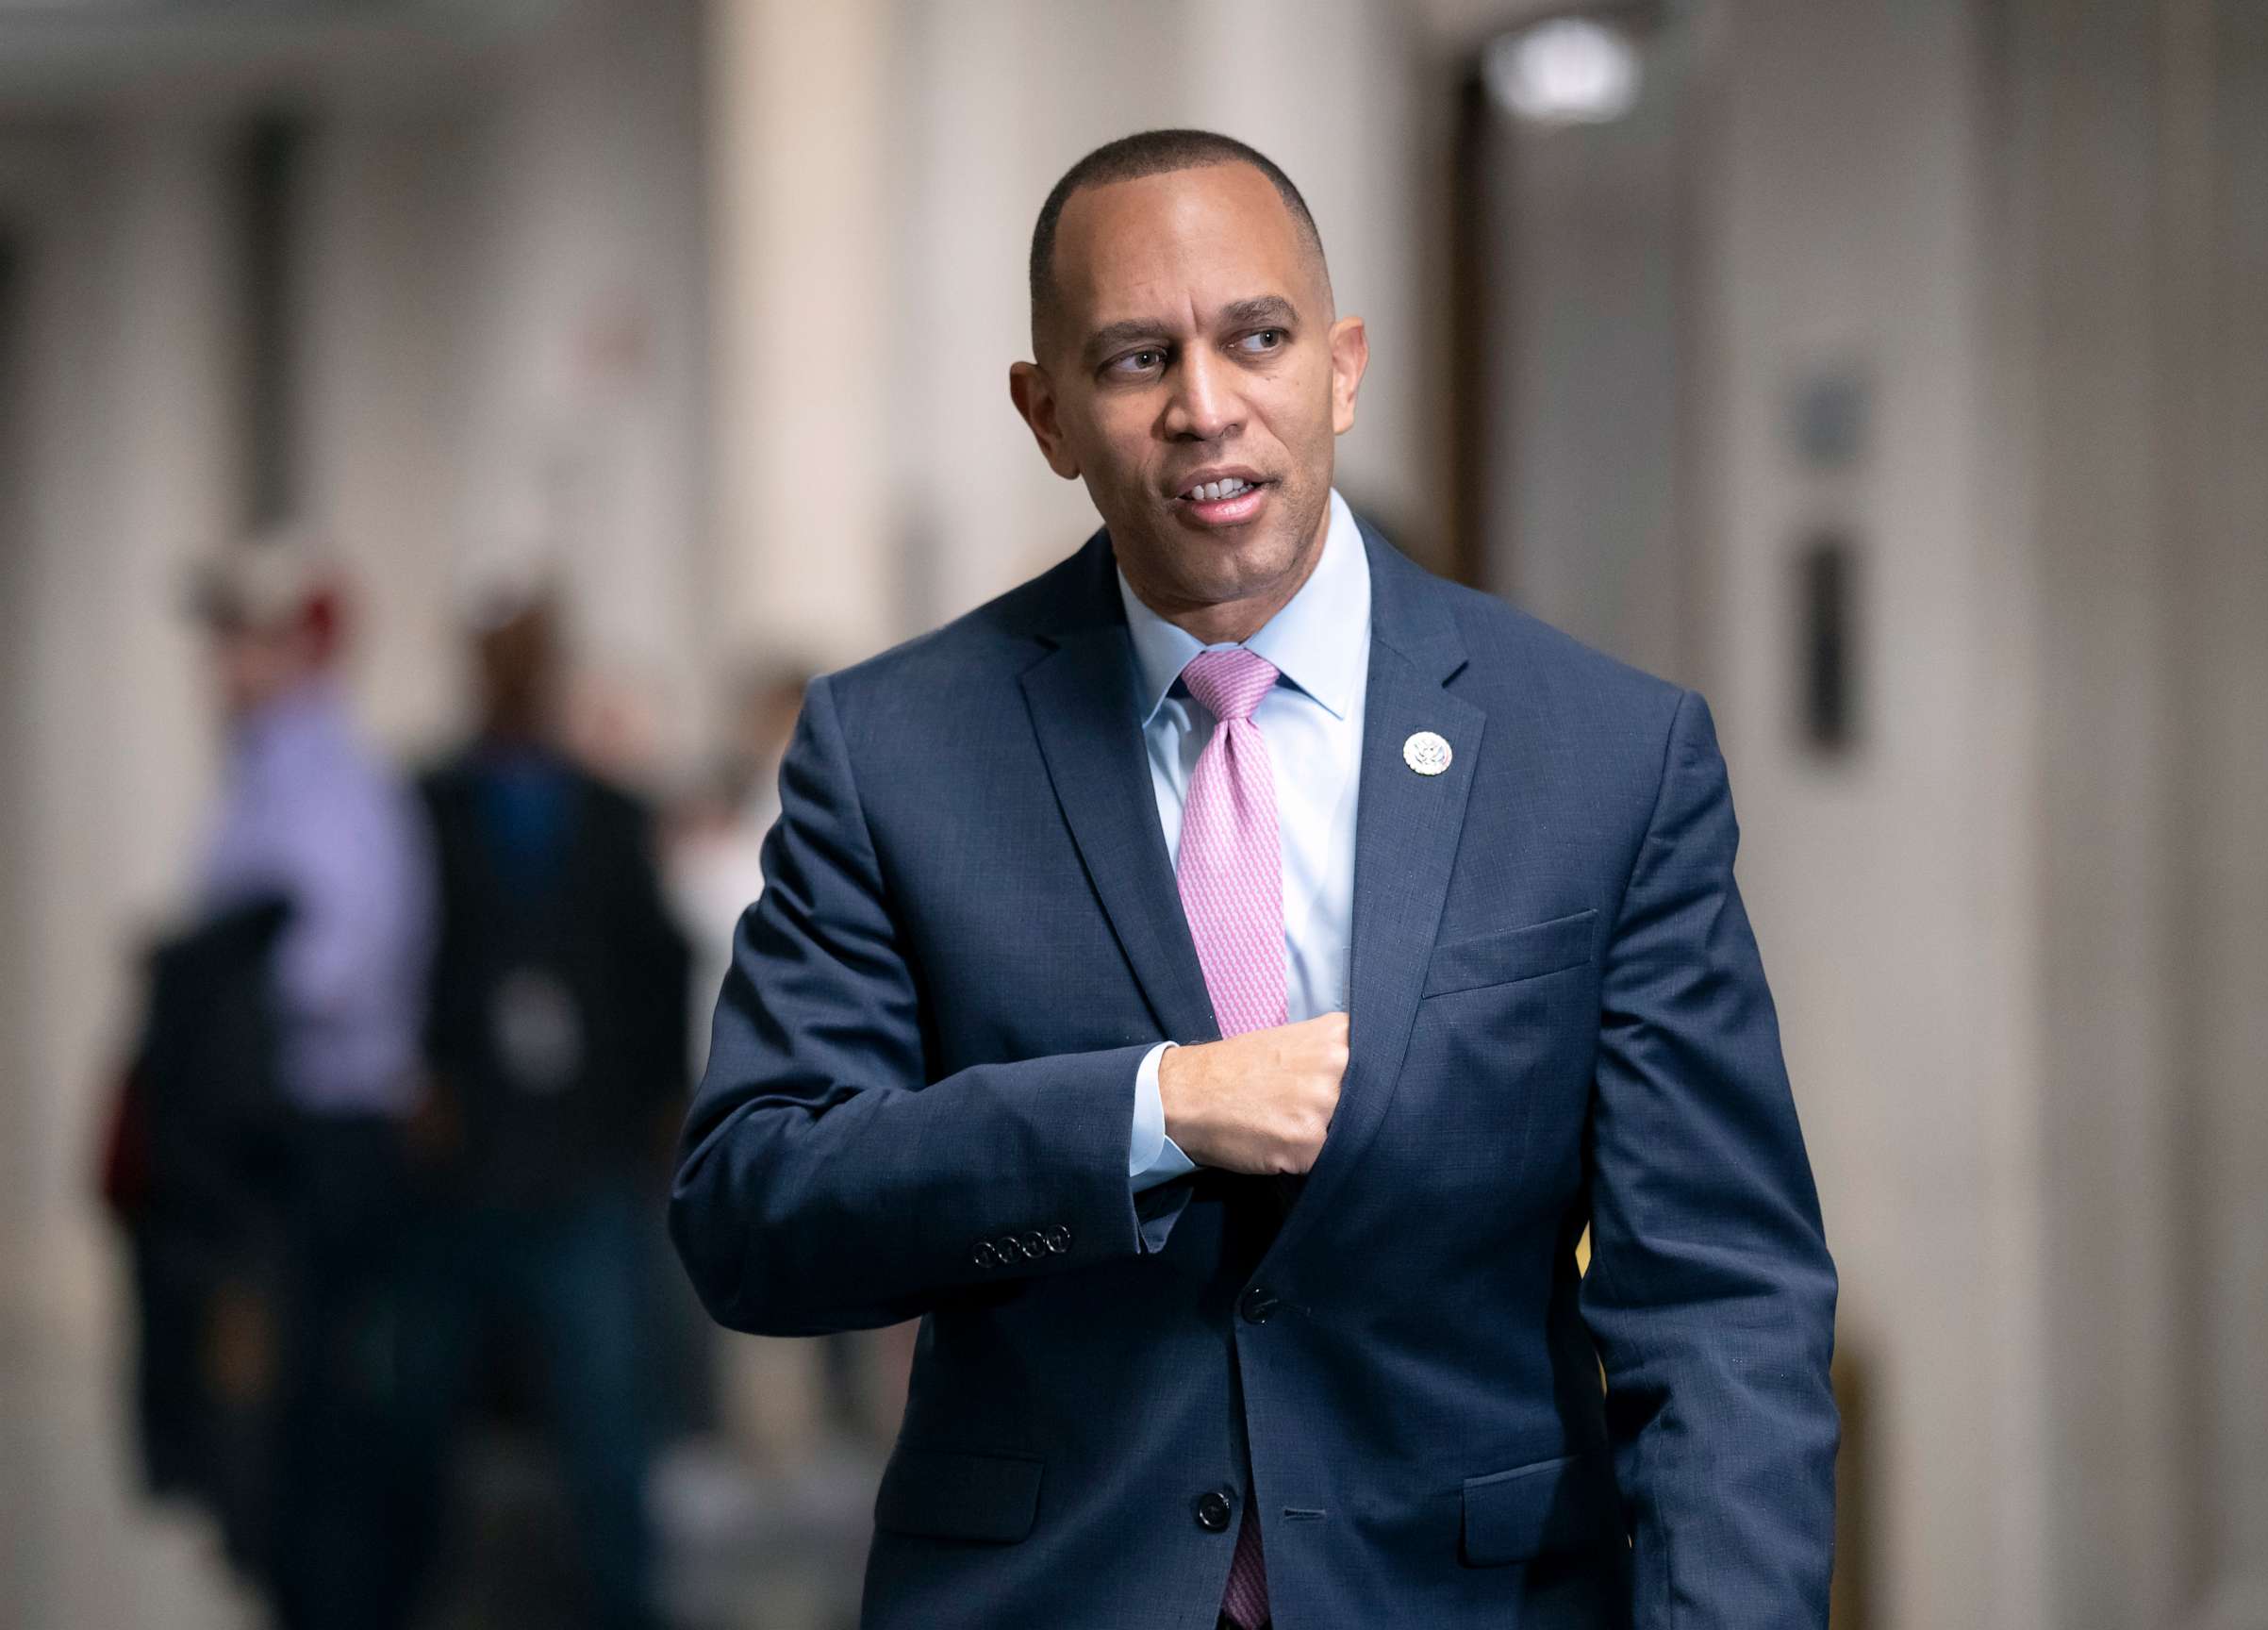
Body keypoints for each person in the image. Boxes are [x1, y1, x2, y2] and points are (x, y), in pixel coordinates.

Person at [670, 128, 1838, 1629]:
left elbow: (1722, 1300)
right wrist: (1151, 1112)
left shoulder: (1604, 755)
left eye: (1257, 339)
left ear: (1343, 367)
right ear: (1048, 415)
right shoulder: (895, 751)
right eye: (1136, 358)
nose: (1205, 409)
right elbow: (756, 1211)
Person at [403, 589, 690, 1630]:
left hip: (586, 1165)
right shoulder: (425, 804)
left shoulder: (609, 812)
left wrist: (661, 1106)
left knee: (607, 1418)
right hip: (459, 1165)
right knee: (423, 1416)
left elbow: (658, 969)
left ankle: (621, 1606)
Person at [183, 531, 437, 1630]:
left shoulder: (328, 783)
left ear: (307, 646)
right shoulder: (269, 779)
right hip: (283, 1141)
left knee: (328, 1422)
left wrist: (215, 1001)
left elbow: (341, 963)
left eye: (249, 637)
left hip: (328, 1139)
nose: (224, 662)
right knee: (285, 1424)